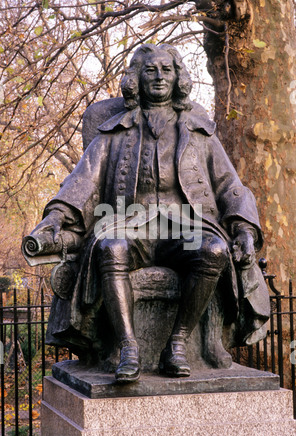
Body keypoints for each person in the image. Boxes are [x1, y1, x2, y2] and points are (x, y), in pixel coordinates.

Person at [24, 43, 270, 383]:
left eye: (166, 70)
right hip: (129, 223)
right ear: (137, 79)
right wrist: (54, 218)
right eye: (149, 70)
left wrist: (243, 229)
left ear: (177, 78)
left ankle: (179, 342)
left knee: (213, 250)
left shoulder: (199, 132)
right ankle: (127, 347)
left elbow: (230, 184)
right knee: (111, 247)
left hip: (183, 228)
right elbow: (82, 181)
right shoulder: (115, 130)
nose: (158, 77)